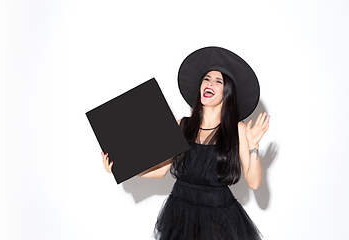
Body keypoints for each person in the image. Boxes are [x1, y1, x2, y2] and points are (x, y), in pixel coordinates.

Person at [102, 47, 269, 240]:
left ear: (228, 91)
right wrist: (121, 167)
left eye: (218, 81)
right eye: (206, 79)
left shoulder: (237, 129)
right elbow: (160, 171)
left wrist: (253, 145)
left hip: (218, 217)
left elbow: (254, 183)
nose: (210, 83)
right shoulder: (182, 125)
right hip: (180, 213)